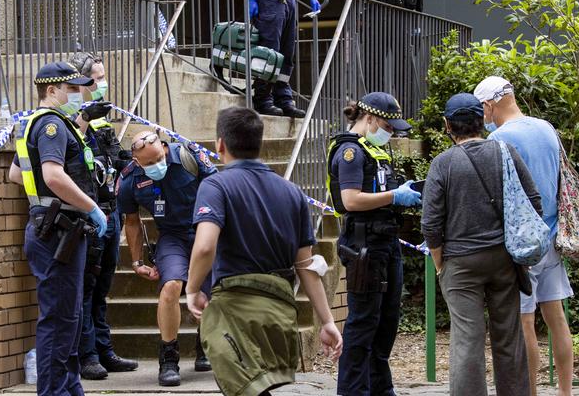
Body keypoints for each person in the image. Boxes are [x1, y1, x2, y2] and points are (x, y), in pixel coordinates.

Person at [186, 106, 342, 396]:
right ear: (260, 143)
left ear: (220, 144)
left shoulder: (215, 186)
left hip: (236, 313)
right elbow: (306, 265)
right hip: (279, 315)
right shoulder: (292, 192)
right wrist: (328, 321)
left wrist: (192, 289)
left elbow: (205, 245)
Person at [421, 93, 540, 396]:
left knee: (467, 340)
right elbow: (533, 202)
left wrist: (440, 264)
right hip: (503, 259)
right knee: (509, 338)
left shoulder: (442, 164)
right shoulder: (505, 151)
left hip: (460, 263)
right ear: (481, 120)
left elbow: (430, 225)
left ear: (447, 125)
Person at [7, 62, 109, 396]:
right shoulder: (51, 124)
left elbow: (15, 174)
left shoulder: (30, 123)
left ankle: (69, 388)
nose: (79, 94)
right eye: (73, 89)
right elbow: (52, 175)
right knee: (60, 320)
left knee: (68, 317)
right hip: (58, 231)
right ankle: (55, 392)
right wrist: (90, 206)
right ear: (52, 91)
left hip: (54, 228)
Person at [474, 76, 574, 396]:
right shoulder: (546, 128)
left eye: (482, 109)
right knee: (556, 317)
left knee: (525, 321)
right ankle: (566, 392)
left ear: (489, 105)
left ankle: (530, 392)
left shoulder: (500, 140)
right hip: (553, 235)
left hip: (521, 243)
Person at [326, 92, 421, 396]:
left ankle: (381, 388)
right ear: (369, 119)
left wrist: (402, 195)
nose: (391, 133)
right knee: (363, 324)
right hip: (364, 246)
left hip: (386, 243)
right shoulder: (350, 152)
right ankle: (353, 391)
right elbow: (350, 200)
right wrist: (394, 196)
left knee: (387, 321)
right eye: (389, 127)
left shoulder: (374, 149)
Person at [116, 131, 217, 386]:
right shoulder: (130, 178)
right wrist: (137, 262)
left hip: (205, 229)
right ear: (137, 161)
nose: (154, 167)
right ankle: (169, 356)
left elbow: (219, 191)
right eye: (147, 164)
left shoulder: (189, 155)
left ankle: (205, 342)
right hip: (172, 236)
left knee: (214, 293)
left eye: (158, 159)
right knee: (171, 286)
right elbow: (132, 221)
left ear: (164, 146)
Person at [67, 52, 138, 379]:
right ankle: (87, 355)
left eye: (102, 77)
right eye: (95, 78)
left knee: (102, 287)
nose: (101, 84)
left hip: (111, 212)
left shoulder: (100, 120)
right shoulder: (65, 118)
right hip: (88, 216)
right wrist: (82, 119)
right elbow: (69, 158)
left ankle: (105, 350)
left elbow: (114, 158)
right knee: (86, 286)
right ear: (78, 83)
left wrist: (138, 158)